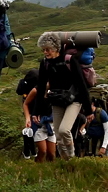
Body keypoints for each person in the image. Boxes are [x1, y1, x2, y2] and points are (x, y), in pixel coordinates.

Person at [34, 32, 93, 161]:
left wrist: (88, 110)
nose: (45, 52)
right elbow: (41, 88)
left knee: (64, 130)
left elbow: (82, 85)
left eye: (48, 49)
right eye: (43, 50)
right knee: (58, 135)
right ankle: (65, 161)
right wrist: (36, 111)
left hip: (74, 100)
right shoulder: (45, 63)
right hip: (57, 101)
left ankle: (72, 157)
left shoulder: (69, 60)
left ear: (56, 48)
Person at [23, 72, 57, 163]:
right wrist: (27, 118)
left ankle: (51, 171)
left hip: (50, 123)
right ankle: (38, 168)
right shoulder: (36, 90)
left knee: (52, 154)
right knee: (43, 151)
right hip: (37, 123)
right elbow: (26, 104)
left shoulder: (55, 91)